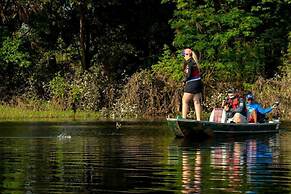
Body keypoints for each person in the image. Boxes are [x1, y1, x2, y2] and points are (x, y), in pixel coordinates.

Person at [181, 48, 203, 120]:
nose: (184, 57)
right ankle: (199, 120)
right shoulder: (195, 62)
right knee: (196, 101)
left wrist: (184, 81)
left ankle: (183, 118)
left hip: (192, 83)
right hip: (198, 83)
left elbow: (189, 74)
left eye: (184, 55)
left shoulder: (189, 62)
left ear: (187, 55)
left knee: (185, 100)